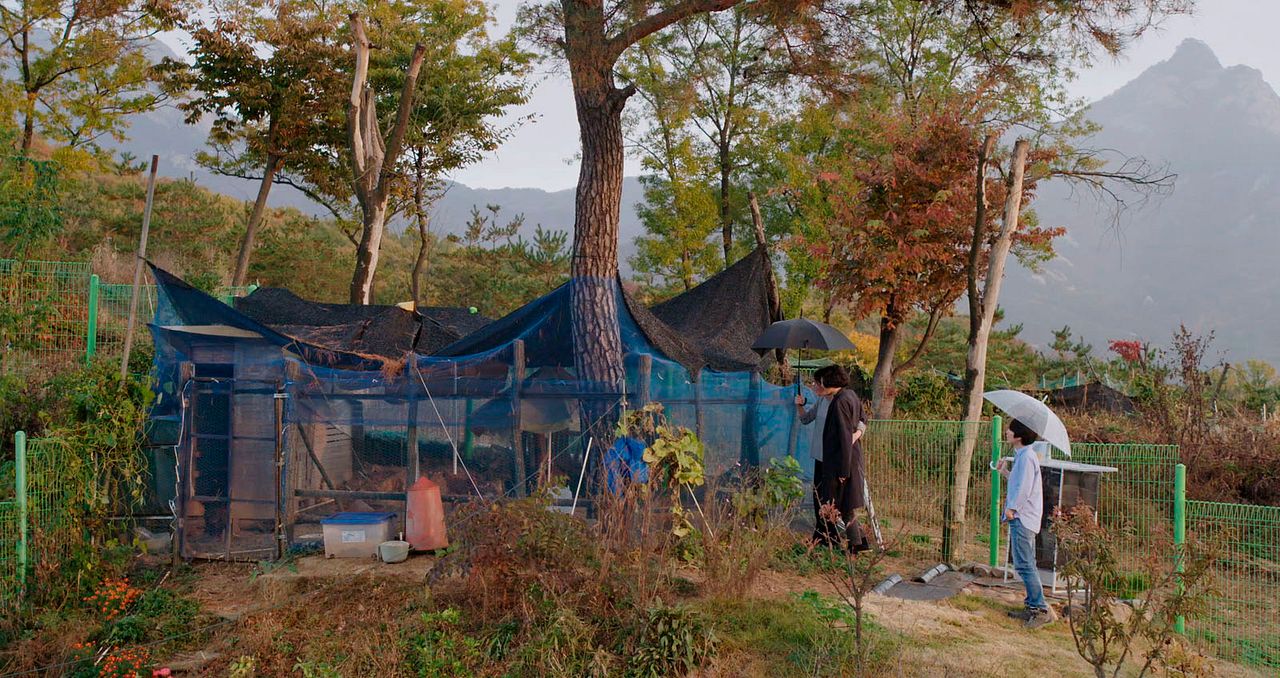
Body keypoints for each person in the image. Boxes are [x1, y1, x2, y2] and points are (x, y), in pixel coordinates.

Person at [795, 365, 869, 552]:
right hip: (825, 459)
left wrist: (855, 436)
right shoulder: (827, 400)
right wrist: (800, 406)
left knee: (835, 503)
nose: (814, 386)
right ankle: (853, 543)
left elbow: (857, 424)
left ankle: (842, 542)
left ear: (829, 382)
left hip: (837, 461)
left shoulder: (841, 401)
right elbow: (806, 419)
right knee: (834, 502)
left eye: (817, 382)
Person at [997, 418, 1058, 629]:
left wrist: (1011, 509)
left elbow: (1022, 489)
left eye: (1010, 429)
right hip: (1025, 517)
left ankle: (1040, 609)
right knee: (1026, 563)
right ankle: (1033, 606)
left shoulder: (1026, 457)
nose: (1006, 432)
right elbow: (1019, 482)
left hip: (1022, 518)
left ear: (1019, 436)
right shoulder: (1024, 456)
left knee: (1024, 564)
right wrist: (1004, 472)